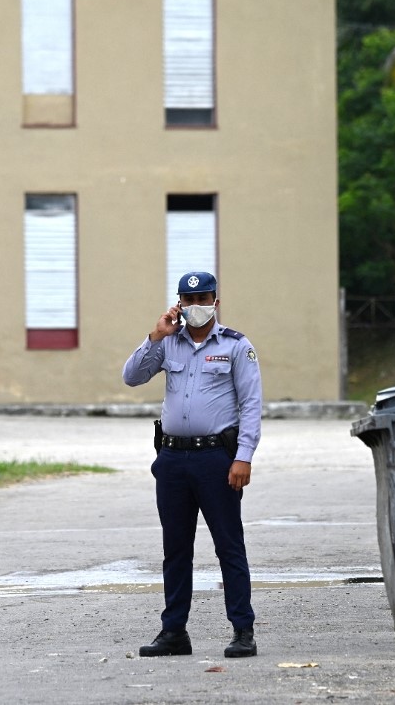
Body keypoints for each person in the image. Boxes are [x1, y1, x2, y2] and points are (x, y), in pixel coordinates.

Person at [122, 271, 262, 659]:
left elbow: (251, 406)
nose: (197, 306)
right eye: (189, 299)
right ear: (179, 303)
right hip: (171, 460)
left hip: (217, 459)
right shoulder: (169, 344)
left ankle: (242, 630)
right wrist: (156, 336)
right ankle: (174, 632)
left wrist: (243, 457)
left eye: (204, 298)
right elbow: (131, 377)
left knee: (229, 546)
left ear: (216, 300)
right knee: (176, 548)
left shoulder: (236, 346)